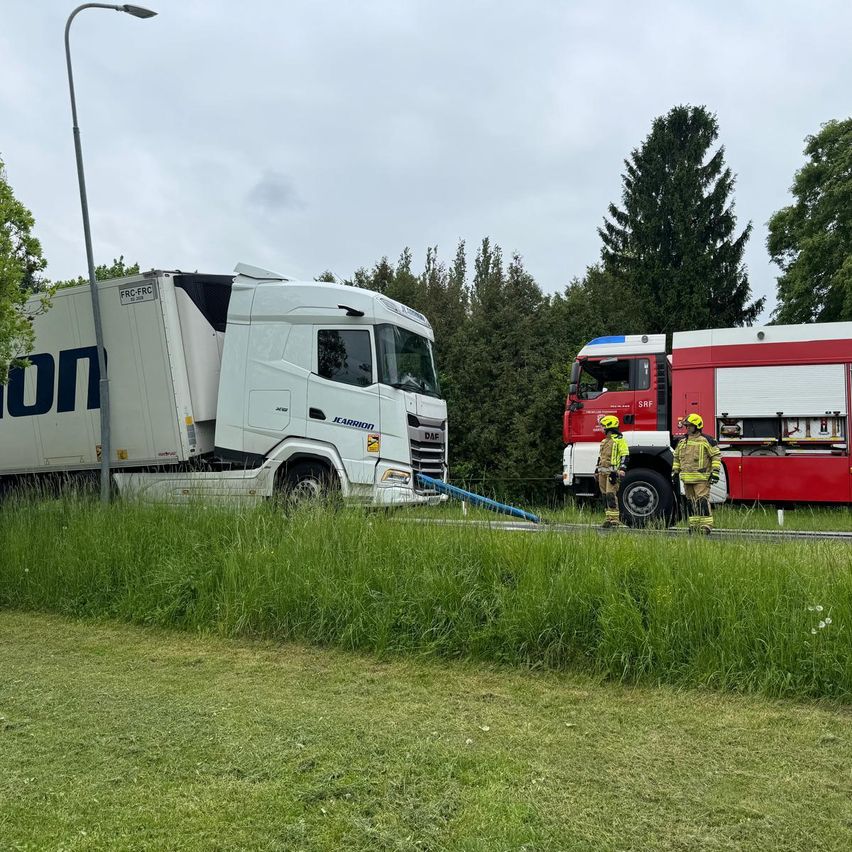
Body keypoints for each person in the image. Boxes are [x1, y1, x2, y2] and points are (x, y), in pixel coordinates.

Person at [672, 413, 721, 534]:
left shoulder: (707, 440)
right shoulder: (682, 442)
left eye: (690, 426)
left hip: (701, 478)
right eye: (687, 426)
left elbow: (715, 456)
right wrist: (675, 471)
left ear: (697, 426)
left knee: (702, 501)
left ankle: (706, 526)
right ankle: (694, 525)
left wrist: (715, 472)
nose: (687, 428)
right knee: (691, 502)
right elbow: (677, 458)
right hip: (687, 479)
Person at [596, 414, 629, 527]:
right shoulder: (604, 441)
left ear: (609, 427)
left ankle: (614, 520)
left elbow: (625, 455)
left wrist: (622, 469)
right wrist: (597, 470)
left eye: (603, 426)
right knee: (605, 495)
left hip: (613, 473)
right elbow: (601, 457)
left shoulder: (619, 440)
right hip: (602, 473)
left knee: (611, 494)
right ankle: (608, 518)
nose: (602, 429)